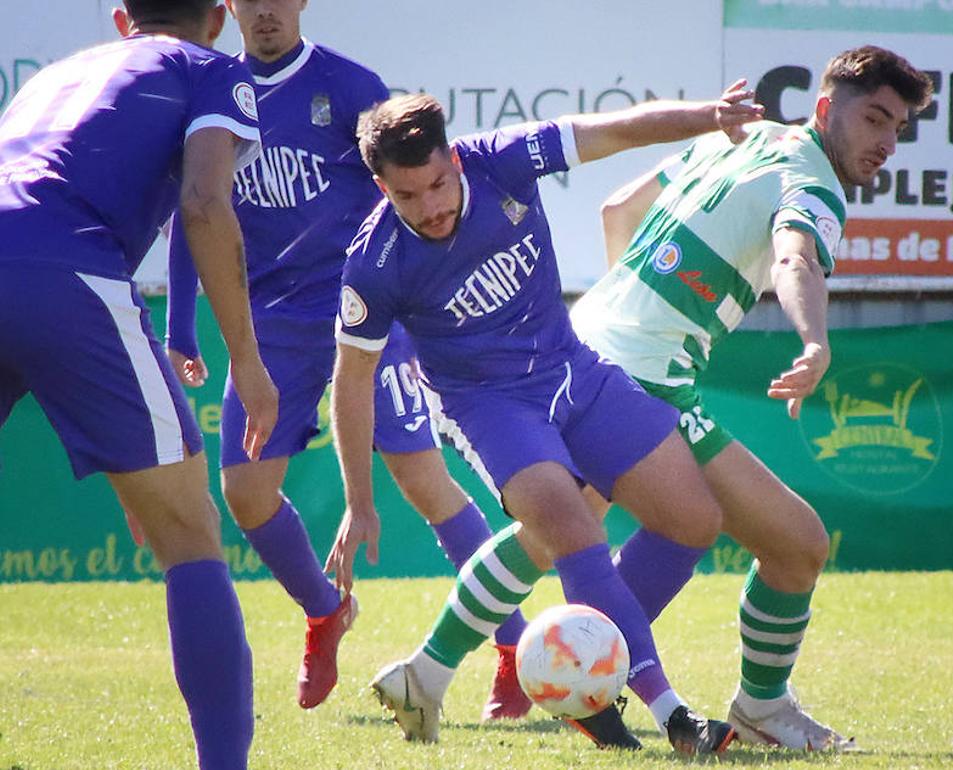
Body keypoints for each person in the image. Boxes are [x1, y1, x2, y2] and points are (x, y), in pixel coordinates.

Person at [324, 89, 763, 753]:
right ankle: (674, 717)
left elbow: (612, 128)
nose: (432, 207)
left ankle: (545, 673)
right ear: (382, 187)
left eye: (439, 184)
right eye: (408, 196)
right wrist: (358, 502)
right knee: (569, 525)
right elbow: (351, 383)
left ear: (455, 159)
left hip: (574, 370)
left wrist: (710, 117)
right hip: (488, 406)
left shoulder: (502, 161)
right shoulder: (374, 264)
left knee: (693, 519)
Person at [162, 0, 529, 717]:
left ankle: (514, 649)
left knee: (423, 480)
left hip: (364, 315)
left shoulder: (351, 87)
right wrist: (181, 322)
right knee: (245, 492)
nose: (265, 10)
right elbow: (193, 208)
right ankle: (325, 610)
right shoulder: (211, 92)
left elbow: (414, 197)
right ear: (228, 7)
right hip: (267, 328)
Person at [570, 46, 933, 752]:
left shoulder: (740, 135)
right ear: (826, 109)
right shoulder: (815, 183)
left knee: (575, 531)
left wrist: (631, 312)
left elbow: (618, 208)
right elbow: (795, 256)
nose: (887, 142)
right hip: (649, 376)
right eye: (876, 118)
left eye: (900, 128)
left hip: (588, 351)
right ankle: (597, 675)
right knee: (793, 544)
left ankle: (510, 672)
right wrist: (815, 342)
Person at [0, 1, 279, 767]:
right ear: (220, 17)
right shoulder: (211, 68)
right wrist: (247, 362)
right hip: (66, 272)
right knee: (188, 536)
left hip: (33, 253)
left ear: (122, 17)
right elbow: (203, 203)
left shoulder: (54, 75)